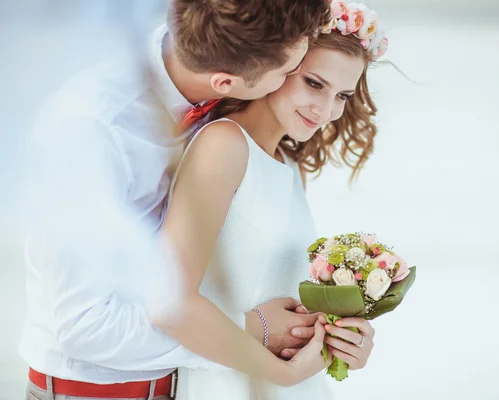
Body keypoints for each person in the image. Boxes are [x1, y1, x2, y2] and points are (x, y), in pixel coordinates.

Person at [21, 1, 333, 399]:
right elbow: (83, 328)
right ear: (225, 83)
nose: (294, 79)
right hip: (94, 390)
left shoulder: (213, 56)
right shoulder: (90, 134)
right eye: (290, 72)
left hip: (191, 384)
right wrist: (254, 331)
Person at [162, 1, 388, 398]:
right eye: (314, 84)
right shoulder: (225, 146)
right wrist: (281, 373)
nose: (325, 110)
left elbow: (272, 293)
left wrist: (341, 337)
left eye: (342, 95)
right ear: (280, 65)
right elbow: (171, 300)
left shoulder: (287, 164)